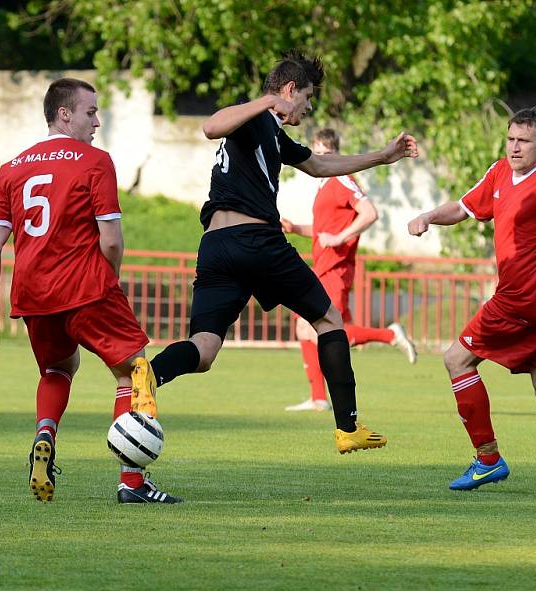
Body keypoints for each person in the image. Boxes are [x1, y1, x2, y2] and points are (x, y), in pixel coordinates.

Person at [143, 50, 418, 452]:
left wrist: (382, 156)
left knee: (203, 350)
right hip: (257, 243)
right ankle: (347, 428)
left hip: (216, 247)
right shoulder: (256, 117)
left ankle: (148, 375)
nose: (306, 110)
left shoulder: (272, 133)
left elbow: (321, 166)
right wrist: (269, 102)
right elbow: (210, 126)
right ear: (289, 90)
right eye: (306, 99)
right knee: (328, 319)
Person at [0, 77, 181, 504]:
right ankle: (133, 483)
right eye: (91, 112)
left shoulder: (10, 169)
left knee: (57, 369)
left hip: (33, 294)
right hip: (86, 286)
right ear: (64, 114)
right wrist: (112, 277)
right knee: (135, 372)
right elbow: (110, 238)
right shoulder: (94, 161)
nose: (97, 121)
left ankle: (44, 434)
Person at [408, 107, 536, 499]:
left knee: (456, 359)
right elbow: (465, 207)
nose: (515, 147)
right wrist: (429, 216)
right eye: (511, 139)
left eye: (524, 141)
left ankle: (487, 460)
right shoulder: (500, 173)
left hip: (522, 300)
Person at [281, 128, 417, 412]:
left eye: (325, 154)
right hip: (323, 266)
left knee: (324, 329)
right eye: (316, 153)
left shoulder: (341, 178)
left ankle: (390, 335)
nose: (319, 158)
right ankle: (318, 397)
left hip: (337, 267)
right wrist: (296, 228)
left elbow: (370, 213)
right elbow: (323, 230)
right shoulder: (322, 186)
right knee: (306, 328)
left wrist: (340, 238)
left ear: (335, 154)